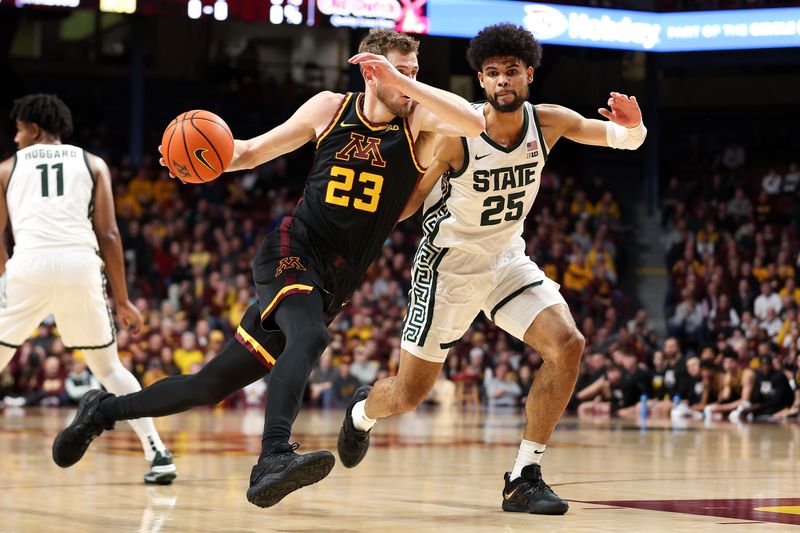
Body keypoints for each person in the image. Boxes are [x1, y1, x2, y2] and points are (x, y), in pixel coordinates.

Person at [52, 29, 484, 508]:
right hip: (292, 250)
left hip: (335, 281)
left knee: (208, 385)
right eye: (400, 72)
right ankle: (273, 456)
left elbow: (472, 121)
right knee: (311, 337)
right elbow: (251, 150)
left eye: (415, 73)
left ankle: (101, 411)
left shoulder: (420, 120)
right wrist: (197, 162)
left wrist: (407, 83)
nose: (411, 82)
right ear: (369, 72)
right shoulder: (329, 108)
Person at [337, 24, 646, 515]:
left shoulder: (549, 122)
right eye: (492, 73)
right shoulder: (455, 138)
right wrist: (347, 230)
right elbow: (406, 206)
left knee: (568, 344)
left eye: (512, 71)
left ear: (529, 74)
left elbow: (623, 141)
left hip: (506, 259)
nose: (503, 80)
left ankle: (523, 475)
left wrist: (634, 125)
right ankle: (361, 413)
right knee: (408, 395)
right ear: (481, 81)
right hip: (447, 268)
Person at [0, 94, 176, 484]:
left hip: (28, 266)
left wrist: (4, 279)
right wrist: (124, 299)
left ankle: (157, 451)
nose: (14, 138)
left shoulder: (6, 168)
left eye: (17, 129)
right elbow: (110, 234)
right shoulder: (92, 163)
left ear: (32, 127)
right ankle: (158, 453)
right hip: (80, 265)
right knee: (109, 368)